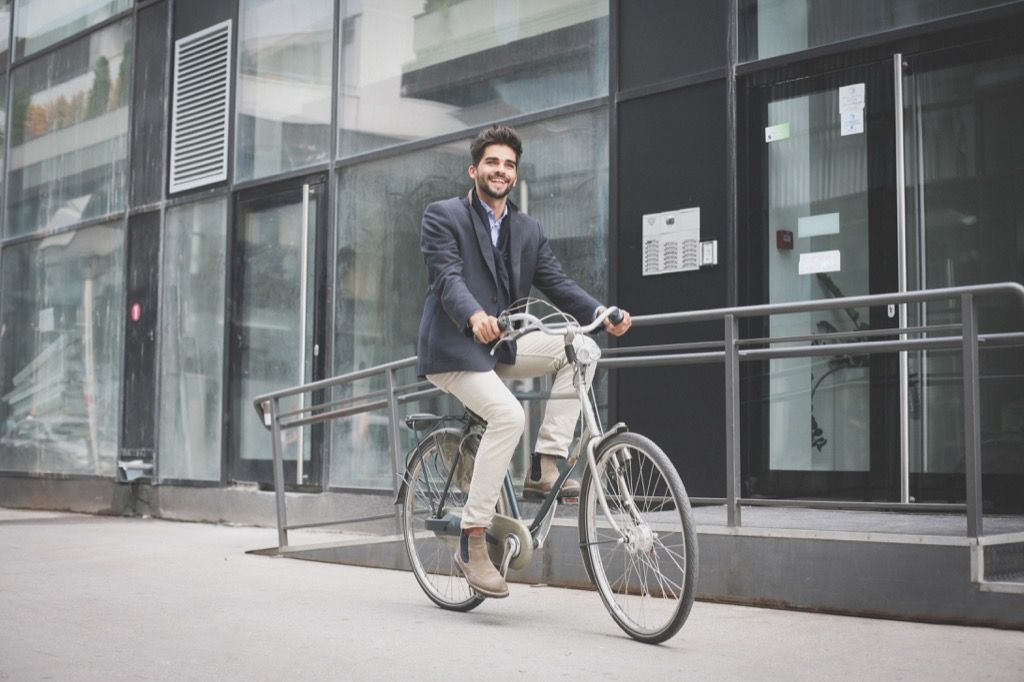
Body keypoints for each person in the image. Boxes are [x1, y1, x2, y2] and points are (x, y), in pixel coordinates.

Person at [416, 125, 631, 598]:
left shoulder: (527, 228)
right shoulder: (443, 216)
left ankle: (546, 462)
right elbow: (447, 278)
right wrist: (474, 316)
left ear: (515, 174)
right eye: (492, 162)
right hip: (454, 348)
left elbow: (557, 282)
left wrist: (600, 312)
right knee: (509, 414)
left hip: (500, 347)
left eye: (509, 164)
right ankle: (472, 540)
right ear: (475, 170)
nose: (501, 171)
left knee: (584, 347)